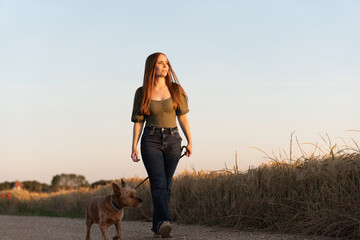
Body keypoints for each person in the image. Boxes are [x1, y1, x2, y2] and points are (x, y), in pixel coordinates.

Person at [131, 52, 192, 238]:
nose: (165, 66)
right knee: (158, 183)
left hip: (173, 139)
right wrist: (133, 145)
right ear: (152, 67)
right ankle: (165, 222)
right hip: (151, 139)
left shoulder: (176, 89)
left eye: (167, 63)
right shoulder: (142, 92)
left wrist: (190, 141)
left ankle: (157, 225)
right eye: (160, 63)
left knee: (166, 186)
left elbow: (182, 117)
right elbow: (139, 122)